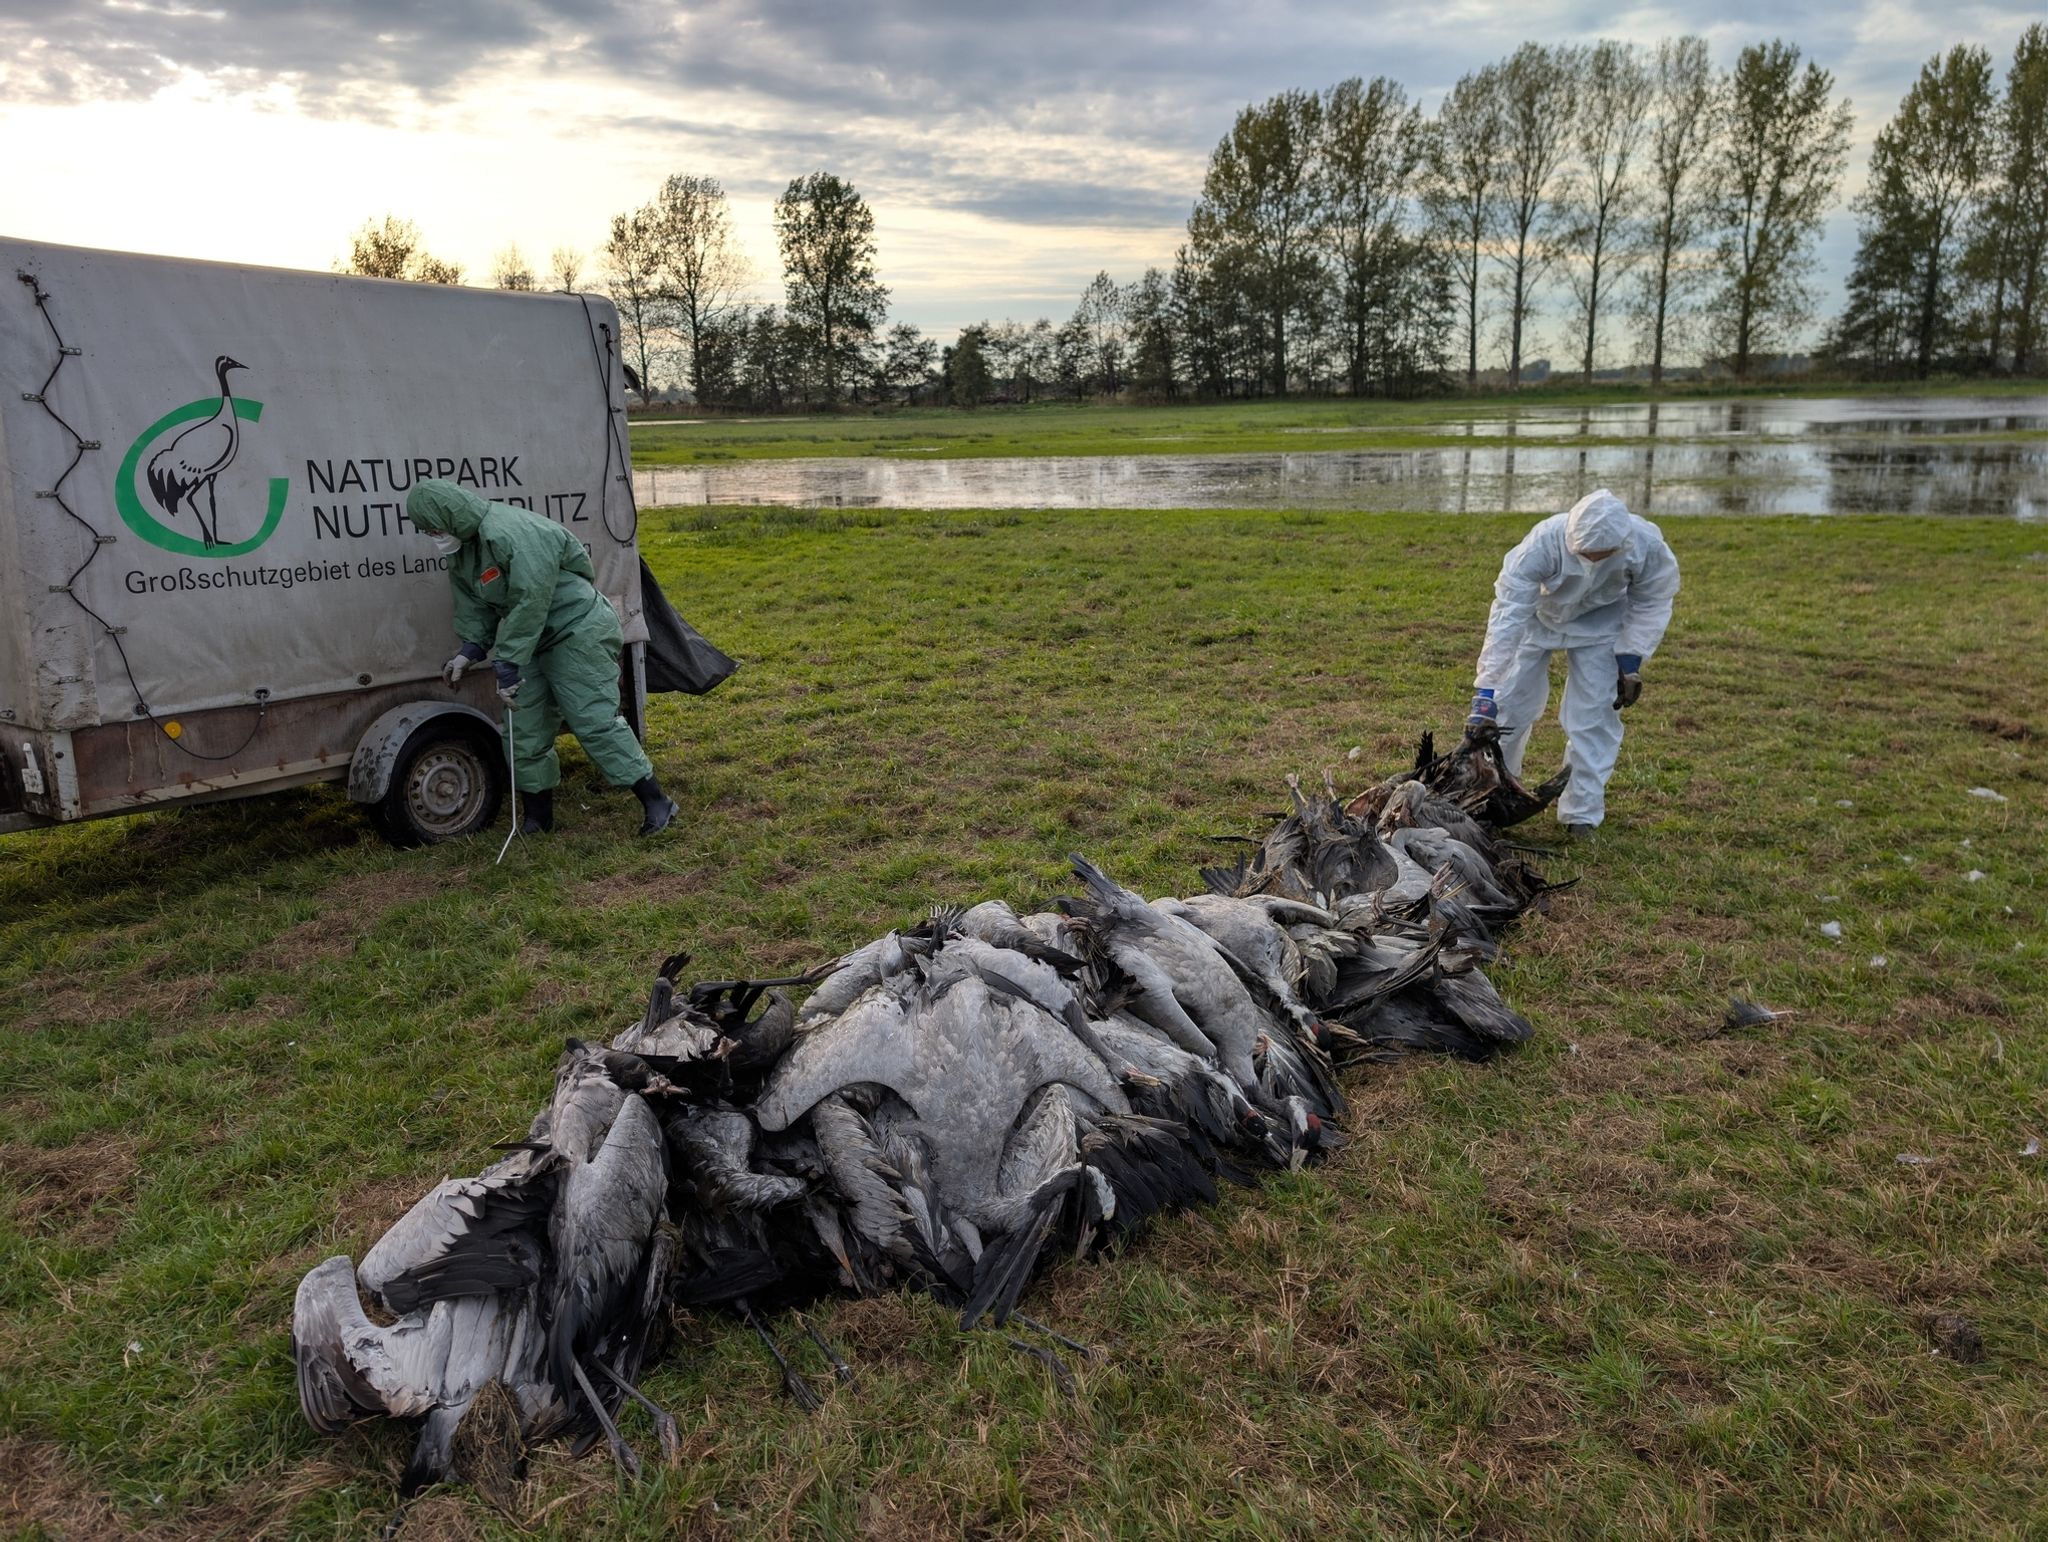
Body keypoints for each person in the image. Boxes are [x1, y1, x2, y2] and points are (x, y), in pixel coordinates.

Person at [406, 479, 676, 837]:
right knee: (523, 727)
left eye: (434, 528)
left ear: (451, 516)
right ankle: (538, 819)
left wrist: (507, 661)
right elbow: (474, 605)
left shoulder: (511, 532)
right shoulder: (463, 552)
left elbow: (531, 599)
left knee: (593, 718)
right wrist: (469, 650)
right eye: (427, 531)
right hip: (532, 640)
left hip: (577, 629)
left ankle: (657, 801)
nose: (433, 536)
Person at [1465, 488, 1679, 839]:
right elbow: (1509, 614)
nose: (1592, 560)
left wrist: (1630, 658)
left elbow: (1653, 599)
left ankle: (1581, 813)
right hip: (1536, 621)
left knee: (1595, 717)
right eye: (1584, 554)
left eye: (1601, 555)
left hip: (1602, 626)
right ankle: (1494, 798)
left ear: (1620, 545)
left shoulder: (1645, 544)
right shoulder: (1542, 544)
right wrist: (1487, 689)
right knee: (1508, 707)